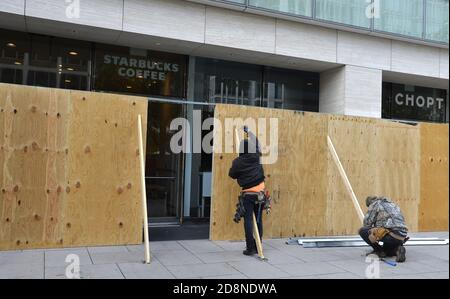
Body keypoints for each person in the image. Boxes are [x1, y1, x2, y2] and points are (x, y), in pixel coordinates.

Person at [228, 127, 265, 256]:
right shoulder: (256, 156)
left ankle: (250, 248)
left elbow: (231, 174)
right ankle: (258, 246)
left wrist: (239, 171)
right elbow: (257, 143)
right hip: (260, 193)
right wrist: (249, 132)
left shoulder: (238, 162)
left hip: (248, 194)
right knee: (259, 220)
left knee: (249, 220)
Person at [359, 196, 409, 262]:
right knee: (387, 251)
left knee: (363, 231)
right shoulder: (392, 204)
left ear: (369, 203)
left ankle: (378, 251)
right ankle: (398, 249)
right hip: (401, 236)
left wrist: (373, 230)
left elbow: (367, 223)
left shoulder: (375, 204)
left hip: (391, 234)